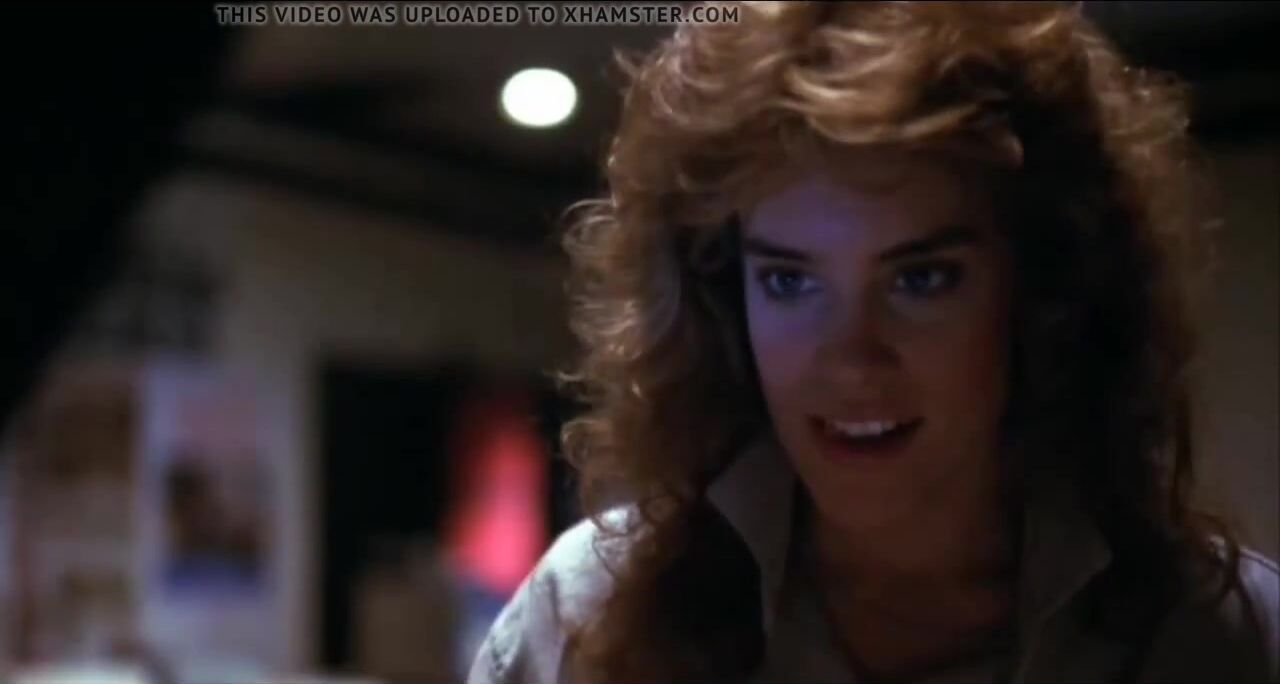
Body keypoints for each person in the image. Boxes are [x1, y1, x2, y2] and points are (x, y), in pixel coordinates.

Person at [468, 2, 1279, 682]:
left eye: (920, 279)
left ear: (1043, 292)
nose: (851, 360)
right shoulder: (584, 620)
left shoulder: (1218, 644)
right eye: (790, 282)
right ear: (722, 298)